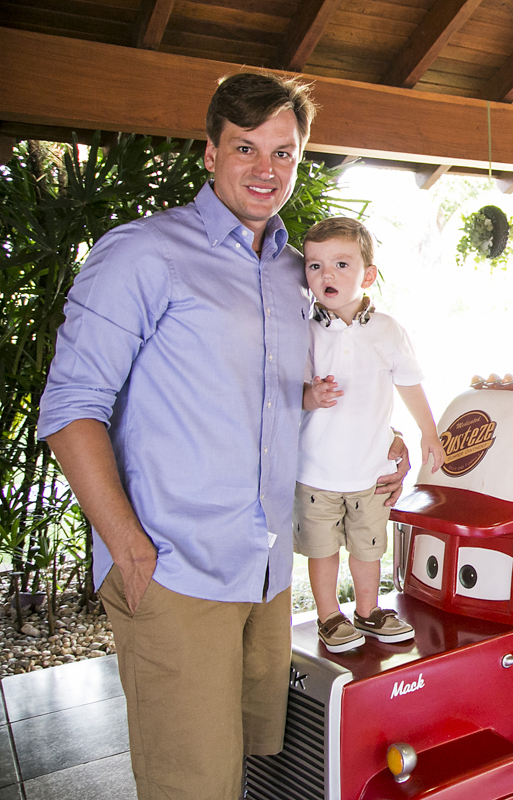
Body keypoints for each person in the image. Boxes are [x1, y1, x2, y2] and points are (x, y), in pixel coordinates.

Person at [37, 73, 408, 800]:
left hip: (265, 570)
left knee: (251, 767)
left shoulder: (296, 273)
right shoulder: (144, 253)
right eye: (246, 148)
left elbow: (298, 387)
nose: (266, 169)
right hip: (174, 568)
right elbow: (70, 406)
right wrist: (128, 548)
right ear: (210, 153)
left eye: (283, 152)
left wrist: (381, 433)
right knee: (191, 782)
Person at [295, 217, 445, 652]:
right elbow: (292, 393)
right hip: (316, 472)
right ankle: (329, 617)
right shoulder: (305, 331)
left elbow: (409, 383)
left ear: (368, 275)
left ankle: (368, 610)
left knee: (368, 548)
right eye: (315, 265)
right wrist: (311, 396)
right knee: (322, 550)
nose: (326, 274)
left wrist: (428, 432)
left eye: (341, 264)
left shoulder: (387, 330)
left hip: (372, 471)